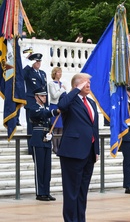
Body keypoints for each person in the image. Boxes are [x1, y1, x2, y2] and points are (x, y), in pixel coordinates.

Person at [57, 73, 100, 222]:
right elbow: (61, 106)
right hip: (73, 152)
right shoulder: (68, 99)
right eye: (84, 83)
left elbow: (94, 127)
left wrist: (97, 150)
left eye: (89, 83)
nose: (88, 85)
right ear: (76, 85)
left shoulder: (91, 103)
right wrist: (75, 90)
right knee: (71, 192)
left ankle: (81, 219)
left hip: (88, 152)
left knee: (82, 192)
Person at [29, 87, 60, 201]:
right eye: (42, 96)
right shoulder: (33, 108)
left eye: (45, 96)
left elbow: (47, 119)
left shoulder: (45, 107)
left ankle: (46, 192)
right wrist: (55, 111)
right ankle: (40, 193)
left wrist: (50, 135)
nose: (44, 98)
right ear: (36, 97)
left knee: (47, 168)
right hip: (38, 140)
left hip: (46, 139)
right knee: (40, 168)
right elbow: (43, 114)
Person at [23, 52, 48, 153]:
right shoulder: (28, 71)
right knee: (31, 125)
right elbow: (21, 76)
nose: (38, 63)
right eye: (36, 61)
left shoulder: (43, 73)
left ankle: (41, 144)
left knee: (42, 124)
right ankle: (31, 148)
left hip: (42, 102)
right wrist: (28, 63)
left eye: (39, 61)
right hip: (31, 102)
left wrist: (47, 104)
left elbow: (45, 90)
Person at [48, 67, 66, 154]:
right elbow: (54, 96)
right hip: (54, 106)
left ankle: (59, 146)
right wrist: (62, 89)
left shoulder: (61, 83)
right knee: (55, 127)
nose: (60, 74)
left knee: (61, 128)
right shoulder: (51, 84)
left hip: (61, 106)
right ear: (55, 73)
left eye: (61, 72)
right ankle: (54, 147)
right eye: (58, 72)